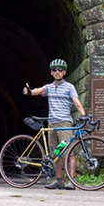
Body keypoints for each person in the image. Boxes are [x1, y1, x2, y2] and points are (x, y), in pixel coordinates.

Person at [23, 58, 85, 190]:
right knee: (55, 154)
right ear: (51, 73)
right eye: (54, 70)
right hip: (52, 125)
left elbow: (77, 102)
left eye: (60, 70)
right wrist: (29, 92)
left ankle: (71, 181)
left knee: (68, 153)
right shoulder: (49, 88)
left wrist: (84, 115)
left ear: (64, 72)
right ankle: (59, 180)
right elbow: (38, 91)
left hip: (64, 124)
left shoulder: (69, 87)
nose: (57, 72)